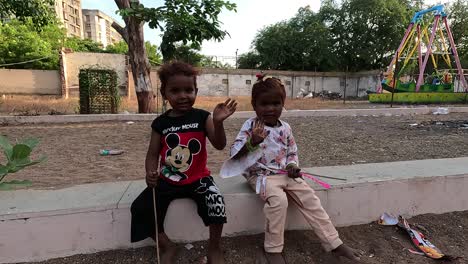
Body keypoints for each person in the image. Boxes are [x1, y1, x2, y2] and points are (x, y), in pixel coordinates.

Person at [223, 74, 360, 264]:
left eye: (276, 103)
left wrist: (292, 166)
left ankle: (334, 243)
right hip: (261, 176)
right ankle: (272, 249)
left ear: (282, 103)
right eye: (264, 104)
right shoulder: (250, 126)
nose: (270, 109)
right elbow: (234, 154)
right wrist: (251, 143)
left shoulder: (285, 128)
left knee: (310, 198)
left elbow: (291, 152)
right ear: (255, 105)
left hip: (285, 174)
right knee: (278, 201)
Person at [131, 61, 237, 264]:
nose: (182, 96)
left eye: (188, 90)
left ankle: (214, 248)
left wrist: (217, 122)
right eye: (175, 90)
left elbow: (219, 144)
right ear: (164, 93)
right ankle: (166, 245)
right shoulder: (160, 123)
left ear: (196, 91)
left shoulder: (202, 117)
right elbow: (152, 154)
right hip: (167, 179)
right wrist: (150, 173)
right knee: (140, 208)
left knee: (216, 203)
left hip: (198, 179)